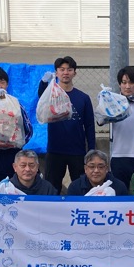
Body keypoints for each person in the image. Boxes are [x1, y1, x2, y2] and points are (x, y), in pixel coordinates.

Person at [37, 56, 95, 192]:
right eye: (62, 69)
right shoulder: (52, 95)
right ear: (56, 73)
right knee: (51, 187)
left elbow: (89, 125)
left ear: (74, 73)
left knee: (81, 187)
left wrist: (91, 149)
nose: (65, 73)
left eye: (69, 69)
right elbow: (41, 96)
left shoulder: (83, 98)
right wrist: (43, 82)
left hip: (77, 150)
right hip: (55, 149)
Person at [65, 150, 129, 196]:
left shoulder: (119, 187)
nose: (96, 170)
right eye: (92, 167)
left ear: (106, 169)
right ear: (85, 169)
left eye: (100, 167)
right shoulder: (75, 187)